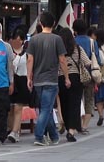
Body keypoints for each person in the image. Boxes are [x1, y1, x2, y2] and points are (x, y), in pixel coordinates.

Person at [26, 12, 69, 147]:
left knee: (46, 108)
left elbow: (30, 59)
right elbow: (62, 60)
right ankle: (39, 136)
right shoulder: (57, 39)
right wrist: (67, 77)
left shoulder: (33, 40)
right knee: (46, 109)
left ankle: (54, 136)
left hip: (38, 79)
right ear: (54, 23)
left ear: (40, 24)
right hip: (51, 79)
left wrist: (29, 77)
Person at [57, 28, 86, 142]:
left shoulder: (58, 49)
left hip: (61, 77)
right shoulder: (78, 49)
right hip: (75, 78)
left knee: (64, 104)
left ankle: (67, 124)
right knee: (74, 105)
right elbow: (87, 61)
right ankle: (71, 131)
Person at [7, 28, 29, 143]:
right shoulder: (8, 51)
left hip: (22, 80)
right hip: (11, 81)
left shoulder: (27, 52)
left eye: (20, 39)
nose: (18, 41)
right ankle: (12, 130)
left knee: (18, 108)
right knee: (10, 109)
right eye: (16, 39)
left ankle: (15, 132)